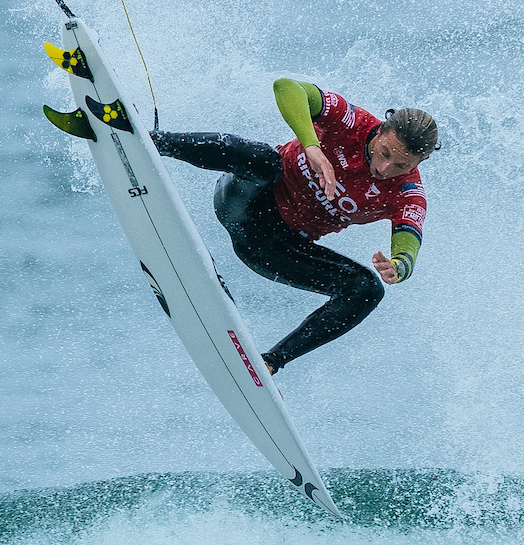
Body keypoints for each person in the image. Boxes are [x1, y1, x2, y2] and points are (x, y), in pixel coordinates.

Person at [152, 82, 436, 375]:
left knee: (366, 289)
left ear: (418, 162)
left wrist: (399, 267)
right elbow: (287, 87)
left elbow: (409, 239)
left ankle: (271, 361)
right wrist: (311, 146)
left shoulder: (407, 192)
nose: (386, 168)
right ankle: (156, 142)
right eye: (385, 153)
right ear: (380, 131)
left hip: (271, 249)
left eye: (401, 165)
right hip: (244, 201)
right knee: (266, 161)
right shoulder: (352, 122)